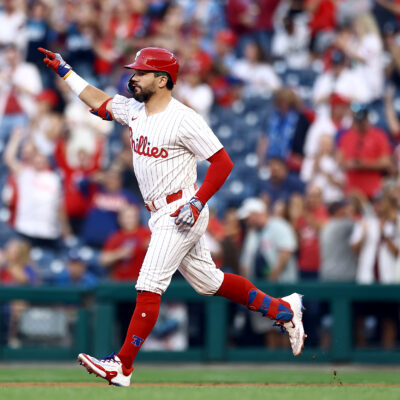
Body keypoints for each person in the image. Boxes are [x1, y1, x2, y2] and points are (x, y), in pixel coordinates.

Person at [38, 45, 305, 387]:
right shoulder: (135, 110)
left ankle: (122, 365)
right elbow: (100, 102)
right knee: (209, 282)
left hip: (182, 209)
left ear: (162, 80)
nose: (133, 77)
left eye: (141, 72)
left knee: (149, 282)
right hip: (159, 210)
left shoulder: (185, 118)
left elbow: (223, 163)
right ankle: (283, 310)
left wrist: (197, 202)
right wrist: (66, 72)